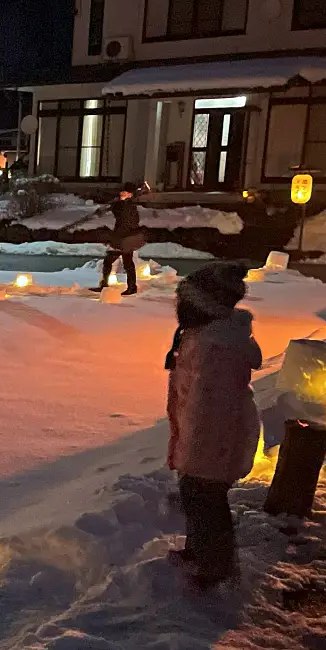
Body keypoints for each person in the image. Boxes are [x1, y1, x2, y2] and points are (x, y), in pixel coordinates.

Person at [164, 261, 262, 589]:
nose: (181, 309)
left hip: (210, 440)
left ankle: (214, 565)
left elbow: (212, 409)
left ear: (203, 306)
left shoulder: (215, 346)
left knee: (206, 500)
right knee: (197, 497)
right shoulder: (203, 335)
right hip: (202, 438)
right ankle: (199, 552)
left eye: (186, 303)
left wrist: (195, 449)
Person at [91, 185, 143, 296]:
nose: (121, 194)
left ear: (130, 194)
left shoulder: (129, 206)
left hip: (125, 238)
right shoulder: (126, 205)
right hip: (122, 238)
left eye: (124, 193)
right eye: (121, 192)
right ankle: (109, 285)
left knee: (122, 263)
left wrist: (114, 206)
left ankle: (129, 287)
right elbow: (118, 214)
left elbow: (122, 216)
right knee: (117, 262)